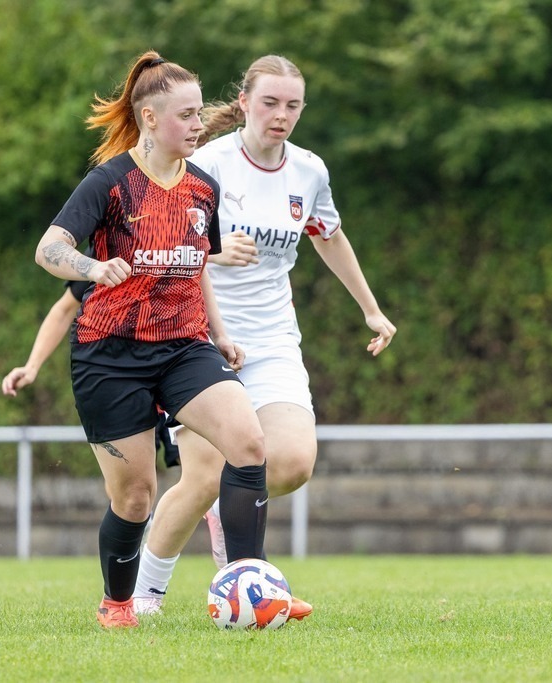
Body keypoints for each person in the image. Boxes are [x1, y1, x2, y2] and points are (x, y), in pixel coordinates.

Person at [132, 55, 397, 619]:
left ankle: (235, 545)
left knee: (294, 461)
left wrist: (371, 310)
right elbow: (157, 243)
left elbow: (328, 236)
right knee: (204, 478)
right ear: (245, 102)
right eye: (270, 102)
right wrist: (213, 251)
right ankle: (144, 597)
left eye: (293, 105)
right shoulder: (207, 164)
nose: (282, 115)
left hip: (273, 338)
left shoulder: (309, 171)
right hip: (196, 336)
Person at [34, 50, 269, 629]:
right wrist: (93, 268)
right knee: (135, 497)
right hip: (110, 355)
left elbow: (197, 265)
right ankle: (117, 605)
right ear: (149, 118)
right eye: (186, 115)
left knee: (248, 444)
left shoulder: (203, 188)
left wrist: (220, 334)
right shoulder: (110, 183)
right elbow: (48, 249)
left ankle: (253, 590)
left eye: (199, 113)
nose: (198, 125)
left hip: (184, 347)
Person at [0, 278, 180, 468]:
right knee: (130, 481)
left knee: (197, 473)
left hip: (175, 377)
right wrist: (32, 366)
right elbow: (64, 310)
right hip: (125, 385)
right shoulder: (106, 262)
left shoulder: (187, 268)